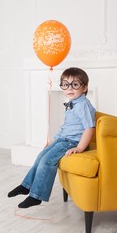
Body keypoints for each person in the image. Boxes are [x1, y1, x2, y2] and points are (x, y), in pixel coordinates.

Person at [8, 67, 96, 209]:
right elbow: (67, 126)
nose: (69, 88)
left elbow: (89, 127)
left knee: (47, 162)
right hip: (63, 140)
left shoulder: (83, 105)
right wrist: (54, 139)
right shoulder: (72, 104)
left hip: (72, 142)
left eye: (75, 84)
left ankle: (36, 196)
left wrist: (79, 147)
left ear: (84, 87)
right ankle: (26, 186)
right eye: (65, 84)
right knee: (40, 157)